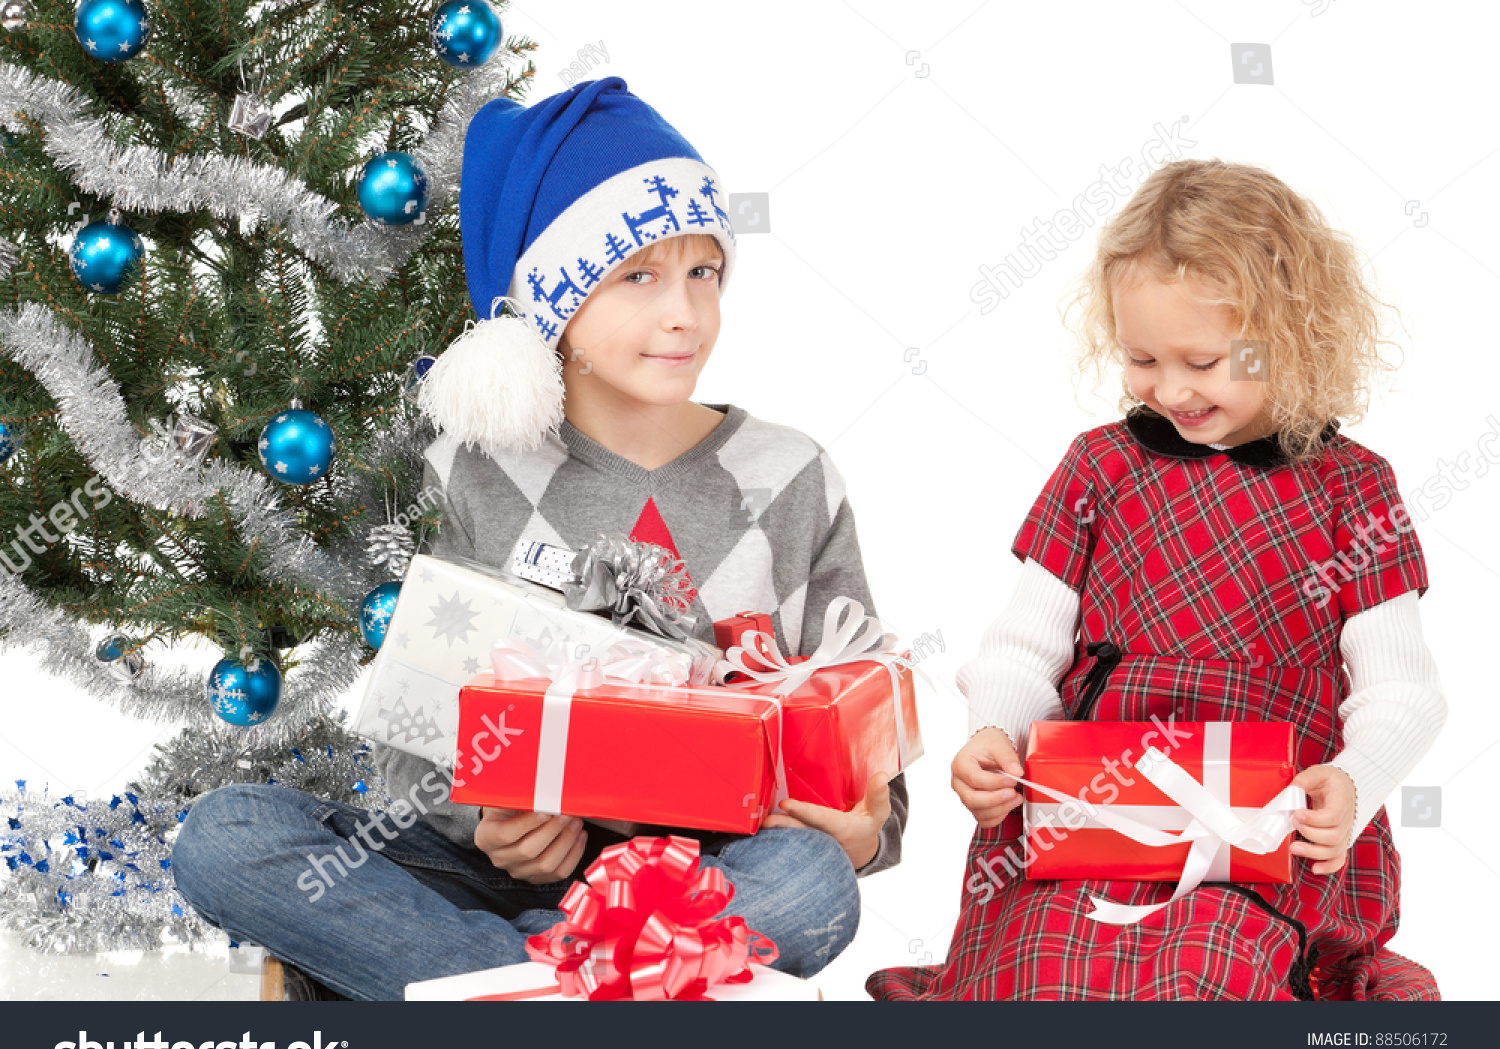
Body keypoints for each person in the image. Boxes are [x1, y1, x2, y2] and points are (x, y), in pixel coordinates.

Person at [172, 76, 906, 1001]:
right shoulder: (476, 471)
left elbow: (875, 760)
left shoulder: (792, 476)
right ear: (554, 306)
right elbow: (413, 732)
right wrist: (486, 823)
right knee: (229, 833)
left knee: (810, 888)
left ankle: (481, 983)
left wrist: (863, 831)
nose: (683, 311)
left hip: (701, 880)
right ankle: (572, 983)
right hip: (495, 877)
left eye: (703, 271)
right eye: (637, 275)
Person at [868, 159, 1446, 1001]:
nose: (1168, 388)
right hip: (1092, 814)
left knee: (1207, 963)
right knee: (1046, 962)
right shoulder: (1100, 467)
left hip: (1261, 832)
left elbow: (1404, 689)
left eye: (1203, 362)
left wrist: (1354, 781)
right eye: (1142, 358)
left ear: (1290, 338)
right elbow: (1023, 648)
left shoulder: (1351, 488)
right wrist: (996, 730)